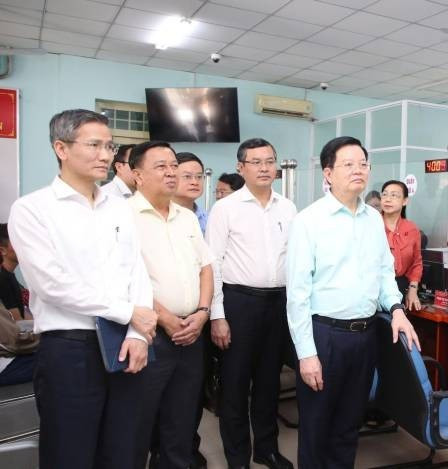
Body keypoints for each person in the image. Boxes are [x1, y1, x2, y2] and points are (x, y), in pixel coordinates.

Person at [8, 109, 157, 469]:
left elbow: (136, 270)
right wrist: (128, 313)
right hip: (70, 349)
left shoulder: (119, 208)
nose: (105, 155)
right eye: (94, 145)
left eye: (109, 145)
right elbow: (51, 283)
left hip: (124, 342)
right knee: (70, 452)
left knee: (124, 450)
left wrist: (138, 332)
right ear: (61, 147)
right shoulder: (32, 209)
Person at [287, 136, 420, 469]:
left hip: (364, 336)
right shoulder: (309, 221)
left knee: (349, 426)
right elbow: (298, 294)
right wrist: (306, 355)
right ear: (328, 173)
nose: (358, 170)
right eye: (349, 164)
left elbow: (383, 274)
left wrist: (397, 310)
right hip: (324, 336)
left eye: (363, 164)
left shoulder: (373, 219)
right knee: (317, 427)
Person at [205, 138, 296, 469]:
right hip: (238, 303)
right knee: (235, 384)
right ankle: (238, 457)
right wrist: (217, 316)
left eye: (269, 161)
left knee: (270, 382)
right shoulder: (225, 208)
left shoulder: (287, 207)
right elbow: (212, 264)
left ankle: (267, 448)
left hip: (277, 304)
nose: (264, 167)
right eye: (255, 162)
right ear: (241, 167)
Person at [127, 141, 213, 469]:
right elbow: (125, 277)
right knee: (138, 422)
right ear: (137, 175)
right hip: (149, 335)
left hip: (191, 332)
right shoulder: (123, 216)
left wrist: (203, 313)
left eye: (173, 165)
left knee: (181, 423)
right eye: (161, 166)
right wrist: (165, 319)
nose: (171, 172)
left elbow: (206, 267)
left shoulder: (186, 217)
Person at [380, 180, 423, 311]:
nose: (388, 199)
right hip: (375, 286)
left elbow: (416, 263)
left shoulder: (411, 229)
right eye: (385, 194)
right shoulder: (372, 224)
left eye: (394, 195)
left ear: (405, 201)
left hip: (400, 286)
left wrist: (413, 290)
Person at [173, 152, 209, 233]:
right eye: (187, 176)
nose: (195, 182)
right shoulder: (160, 216)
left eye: (199, 177)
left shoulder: (209, 218)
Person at [0, 223, 27, 321]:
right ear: (3, 251)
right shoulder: (3, 278)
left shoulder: (9, 275)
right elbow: (17, 320)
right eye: (16, 242)